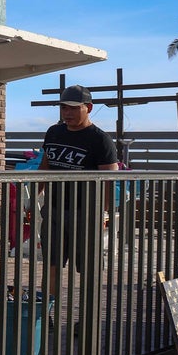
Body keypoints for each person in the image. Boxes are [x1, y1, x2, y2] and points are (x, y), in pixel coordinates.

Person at [38, 85, 119, 299]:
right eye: (64, 107)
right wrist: (31, 199)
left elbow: (110, 181)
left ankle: (85, 320)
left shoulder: (101, 139)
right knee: (51, 265)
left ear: (88, 108)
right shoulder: (53, 132)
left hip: (85, 213)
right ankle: (47, 316)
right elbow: (45, 167)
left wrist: (104, 213)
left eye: (73, 108)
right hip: (54, 211)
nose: (67, 113)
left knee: (88, 270)